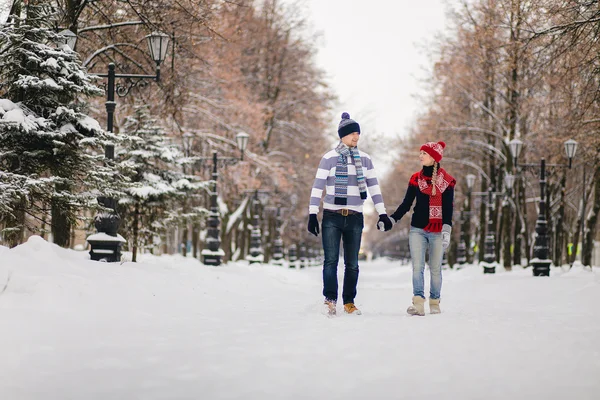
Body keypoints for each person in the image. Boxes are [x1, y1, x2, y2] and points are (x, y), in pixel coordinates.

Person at [307, 112, 393, 316]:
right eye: (352, 133)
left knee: (352, 263)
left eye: (358, 133)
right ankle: (329, 300)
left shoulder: (365, 160)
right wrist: (312, 214)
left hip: (355, 216)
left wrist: (382, 214)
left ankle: (349, 302)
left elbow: (374, 188)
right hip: (332, 216)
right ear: (342, 135)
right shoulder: (329, 158)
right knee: (330, 261)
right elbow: (317, 187)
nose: (356, 137)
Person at [389, 141, 456, 316]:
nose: (420, 156)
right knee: (417, 267)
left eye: (424, 154)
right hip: (417, 229)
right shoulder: (415, 179)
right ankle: (418, 303)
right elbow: (406, 204)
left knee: (435, 269)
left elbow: (449, 208)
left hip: (437, 230)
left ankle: (435, 301)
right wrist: (392, 219)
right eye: (420, 153)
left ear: (433, 157)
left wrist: (446, 230)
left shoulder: (447, 182)